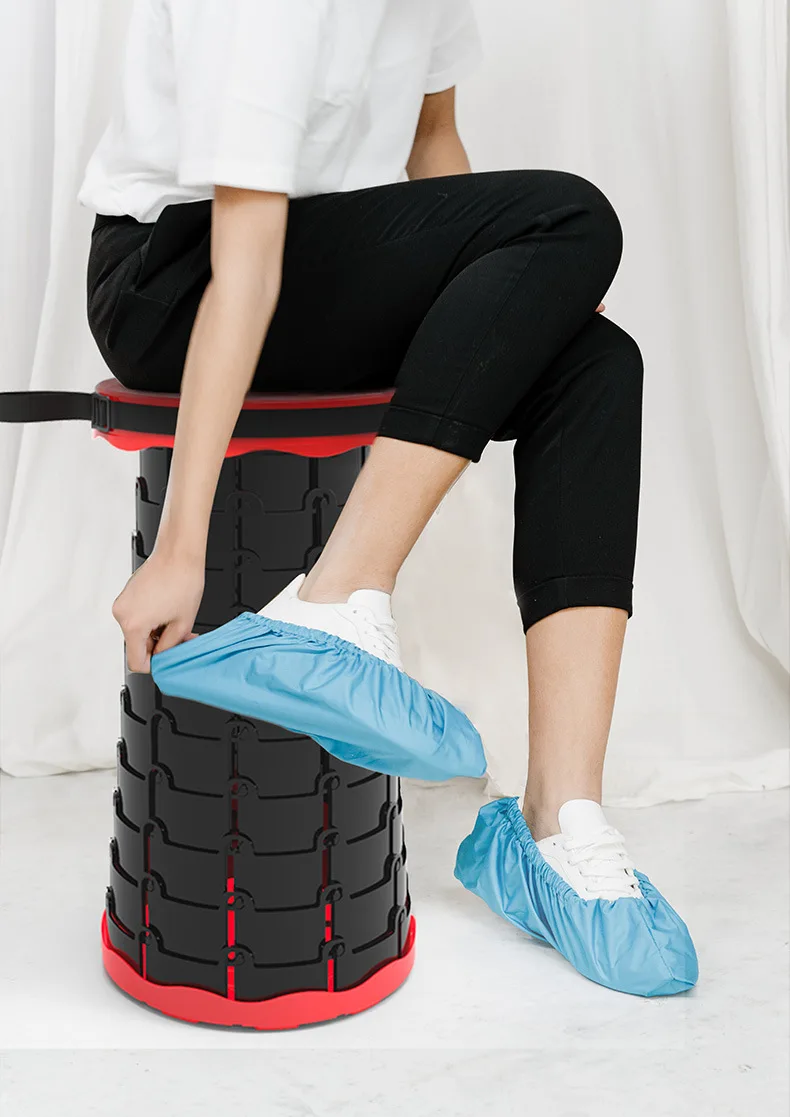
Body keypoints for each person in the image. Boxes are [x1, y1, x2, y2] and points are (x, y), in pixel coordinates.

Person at [78, 0, 697, 997]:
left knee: (594, 358)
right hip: (174, 278)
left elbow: (434, 147)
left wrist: (515, 300)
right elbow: (246, 261)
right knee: (571, 214)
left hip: (320, 257)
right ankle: (331, 603)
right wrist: (180, 547)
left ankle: (556, 825)